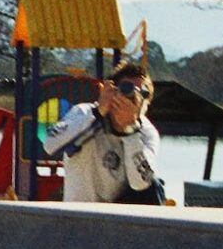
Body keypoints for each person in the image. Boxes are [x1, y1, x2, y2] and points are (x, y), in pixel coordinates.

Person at [42, 62, 162, 205]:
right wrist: (98, 114)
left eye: (142, 94)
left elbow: (141, 183)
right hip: (81, 214)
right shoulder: (84, 113)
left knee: (154, 185)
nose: (133, 99)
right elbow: (50, 144)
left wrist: (130, 132)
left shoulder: (146, 132)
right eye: (127, 90)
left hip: (117, 215)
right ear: (112, 91)